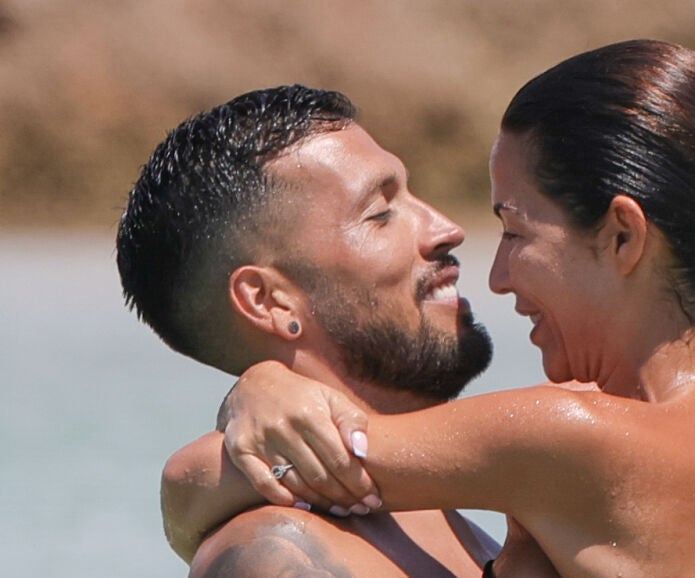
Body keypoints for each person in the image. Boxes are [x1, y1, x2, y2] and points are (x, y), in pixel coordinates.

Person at [167, 39, 695, 576]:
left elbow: (199, 481)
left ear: (622, 237)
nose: (496, 275)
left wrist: (261, 388)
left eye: (515, 231)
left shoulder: (578, 437)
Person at [116, 84, 502, 576]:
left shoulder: (461, 525)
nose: (446, 228)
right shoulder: (277, 555)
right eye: (381, 213)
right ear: (269, 301)